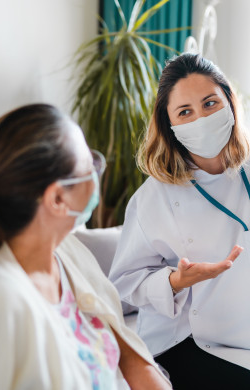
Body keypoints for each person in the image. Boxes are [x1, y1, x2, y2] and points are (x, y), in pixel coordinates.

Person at [0, 104, 171, 390]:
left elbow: (125, 348)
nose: (97, 172)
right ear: (57, 199)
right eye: (89, 166)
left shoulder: (67, 256)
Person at [109, 53, 250, 389]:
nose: (201, 118)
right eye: (185, 112)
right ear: (169, 123)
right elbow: (123, 283)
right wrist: (175, 281)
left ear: (230, 103)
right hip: (187, 340)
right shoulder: (153, 197)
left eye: (210, 103)